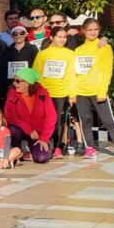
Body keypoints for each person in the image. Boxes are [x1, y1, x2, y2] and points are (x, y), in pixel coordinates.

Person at [73, 19, 114, 160]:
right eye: (90, 29)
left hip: (98, 91)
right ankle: (90, 148)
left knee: (108, 120)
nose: (93, 32)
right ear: (84, 30)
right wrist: (72, 93)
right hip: (80, 91)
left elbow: (107, 71)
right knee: (85, 121)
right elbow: (74, 73)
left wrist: (103, 91)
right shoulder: (78, 50)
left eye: (96, 29)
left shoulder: (104, 47)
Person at [33, 26, 78, 158]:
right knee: (42, 120)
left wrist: (72, 94)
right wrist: (37, 91)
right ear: (52, 37)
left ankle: (57, 148)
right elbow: (36, 73)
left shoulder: (70, 54)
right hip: (44, 93)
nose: (62, 39)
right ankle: (42, 145)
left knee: (58, 121)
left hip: (61, 93)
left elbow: (72, 75)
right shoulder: (42, 54)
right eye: (59, 37)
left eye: (65, 37)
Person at [4, 68, 55, 164]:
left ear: (28, 83)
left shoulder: (42, 94)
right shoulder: (12, 94)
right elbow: (10, 117)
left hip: (38, 134)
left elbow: (51, 117)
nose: (14, 84)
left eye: (17, 81)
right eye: (13, 81)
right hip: (23, 130)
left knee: (41, 158)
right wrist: (29, 129)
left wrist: (43, 138)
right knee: (12, 129)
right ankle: (17, 151)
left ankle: (32, 150)